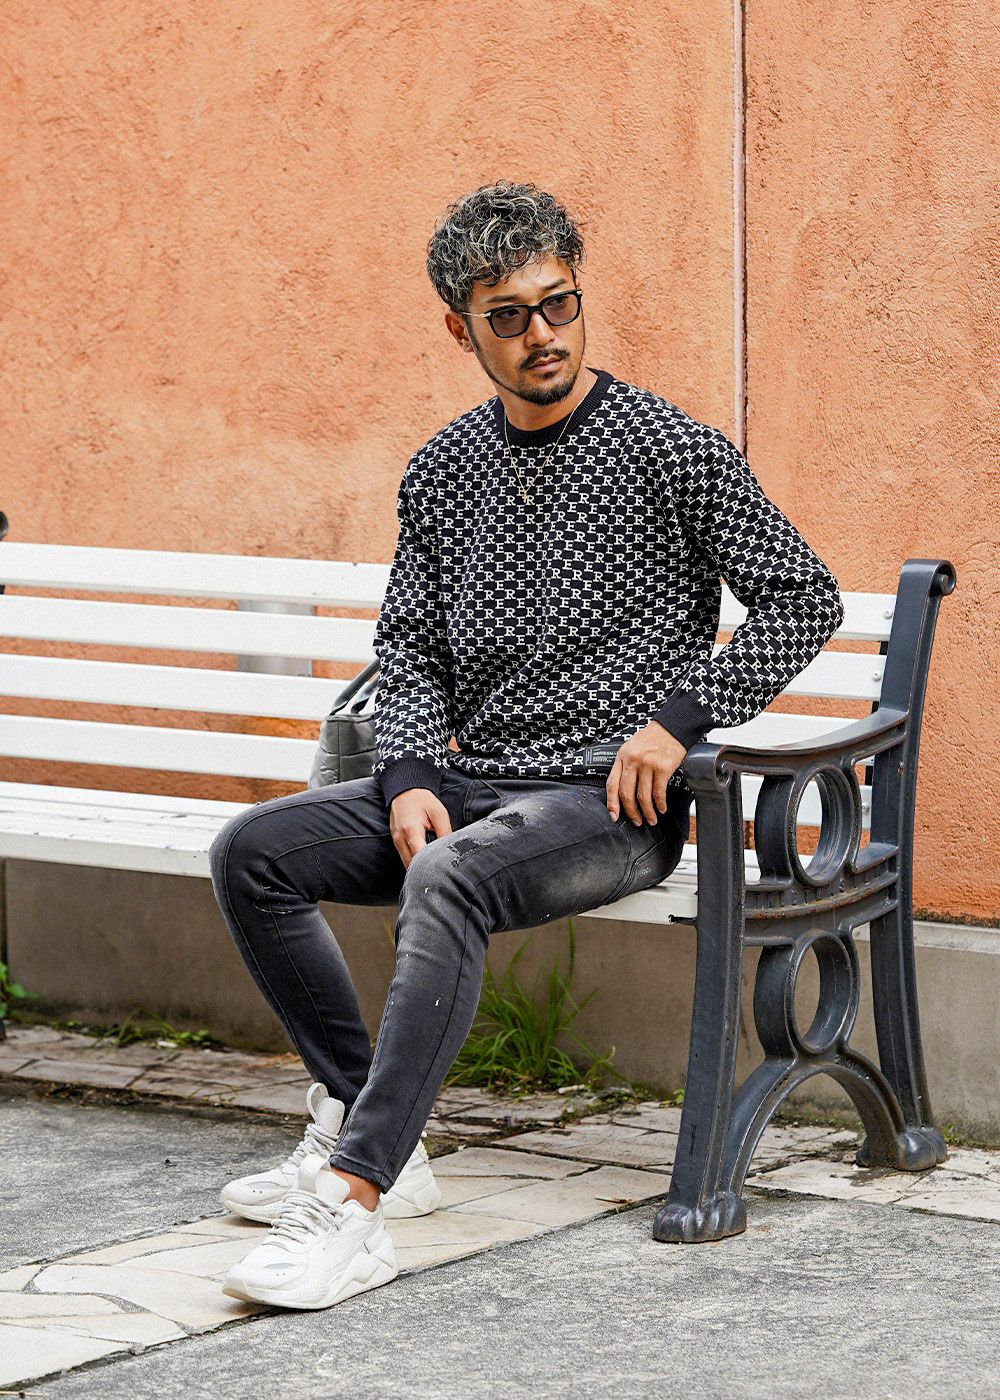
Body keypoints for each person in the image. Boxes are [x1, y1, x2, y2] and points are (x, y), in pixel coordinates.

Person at [209, 179, 845, 1310]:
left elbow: (803, 596)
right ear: (462, 330)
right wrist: (406, 772)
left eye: (559, 303)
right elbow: (409, 645)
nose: (542, 333)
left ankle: (353, 1201)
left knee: (447, 876)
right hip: (470, 782)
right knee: (253, 850)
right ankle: (377, 1132)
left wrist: (679, 721)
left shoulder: (670, 448)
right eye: (508, 315)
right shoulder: (444, 468)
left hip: (606, 806)